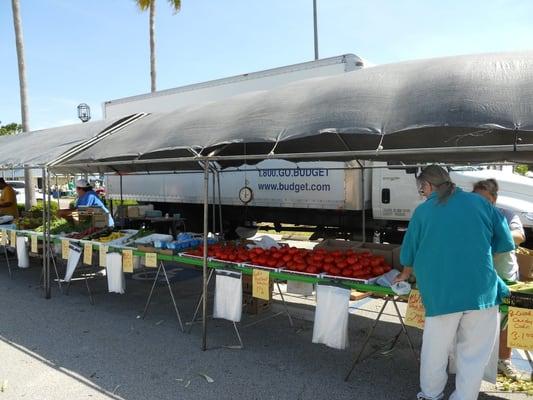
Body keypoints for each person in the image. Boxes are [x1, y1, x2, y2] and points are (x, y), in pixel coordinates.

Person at [395, 165, 514, 400]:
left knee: (435, 350)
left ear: (427, 186)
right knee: (474, 354)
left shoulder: (423, 211)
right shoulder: (480, 203)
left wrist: (404, 273)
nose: (422, 194)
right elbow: (505, 243)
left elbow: (408, 255)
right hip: (482, 292)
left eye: (422, 189)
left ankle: (430, 394)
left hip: (442, 292)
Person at [473, 178, 528, 380]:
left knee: (507, 320)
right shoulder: (470, 217)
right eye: (476, 198)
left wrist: (495, 237)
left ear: (494, 199)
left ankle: (504, 360)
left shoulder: (506, 214)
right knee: (480, 319)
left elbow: (519, 236)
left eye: (485, 199)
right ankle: (479, 361)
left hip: (505, 275)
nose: (480, 203)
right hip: (481, 277)